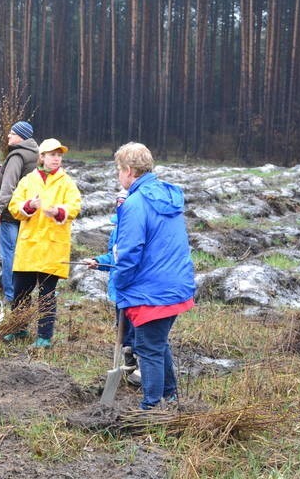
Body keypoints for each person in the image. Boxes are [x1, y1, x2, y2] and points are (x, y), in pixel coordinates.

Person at [112, 142, 196, 410]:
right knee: (157, 344)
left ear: (128, 170)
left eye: (118, 171)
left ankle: (151, 407)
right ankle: (170, 397)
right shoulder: (165, 196)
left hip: (152, 291)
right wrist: (104, 263)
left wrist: (120, 282)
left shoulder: (136, 203)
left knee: (147, 349)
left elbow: (130, 252)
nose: (118, 177)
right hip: (174, 286)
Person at [4, 139, 82, 348]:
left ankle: (44, 337)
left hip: (53, 247)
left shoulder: (67, 183)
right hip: (29, 246)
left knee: (47, 294)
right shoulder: (28, 181)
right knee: (21, 291)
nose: (56, 158)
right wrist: (29, 205)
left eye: (59, 155)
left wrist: (59, 211)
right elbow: (14, 206)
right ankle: (17, 329)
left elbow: (75, 206)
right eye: (52, 154)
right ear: (42, 157)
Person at [85, 189, 140, 385]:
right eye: (119, 205)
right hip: (119, 289)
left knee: (137, 331)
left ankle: (141, 367)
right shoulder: (116, 229)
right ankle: (128, 365)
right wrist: (97, 261)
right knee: (123, 330)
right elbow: (113, 257)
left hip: (135, 291)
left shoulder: (139, 229)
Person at [0, 121, 39, 304]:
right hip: (27, 212)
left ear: (21, 136)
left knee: (9, 254)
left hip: (10, 213)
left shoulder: (17, 156)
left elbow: (8, 187)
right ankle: (24, 294)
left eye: (12, 133)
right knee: (22, 253)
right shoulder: (36, 154)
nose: (8, 136)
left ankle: (11, 295)